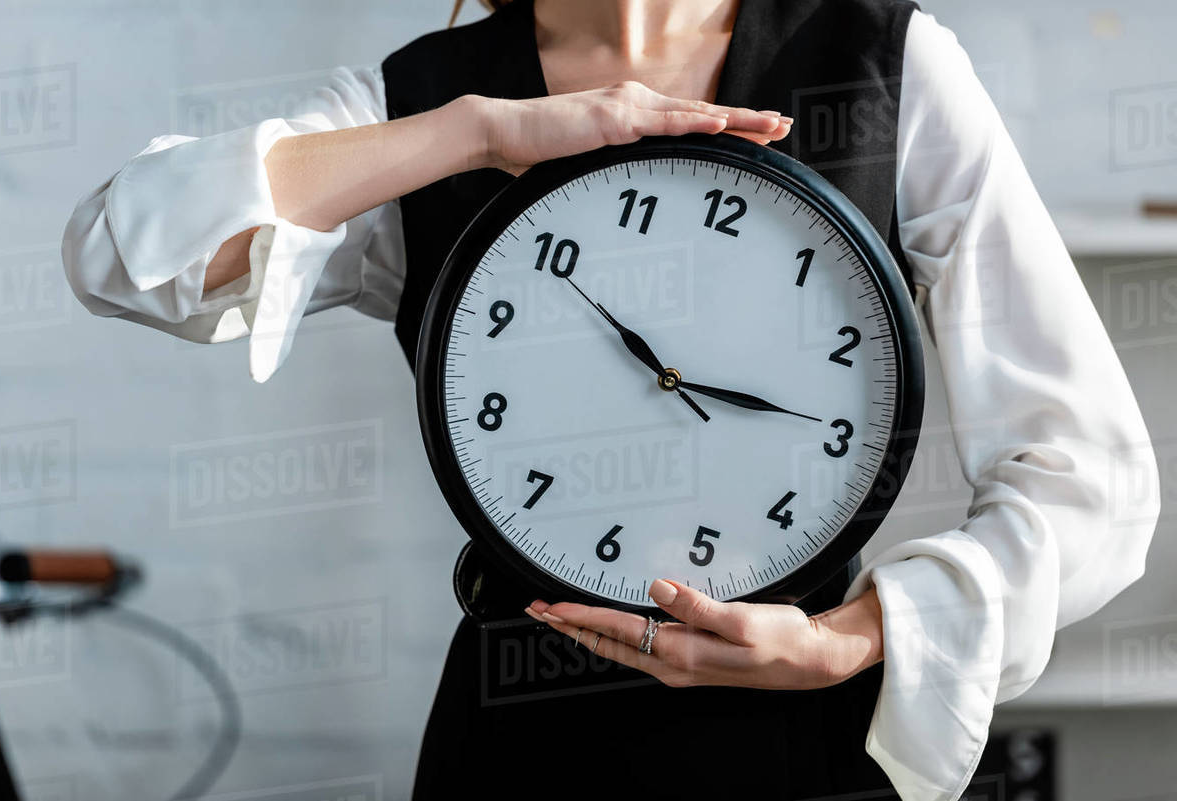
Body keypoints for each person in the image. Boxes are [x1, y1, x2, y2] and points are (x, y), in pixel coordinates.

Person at [61, 1, 1160, 799]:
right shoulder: (425, 97)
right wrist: (472, 134)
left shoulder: (883, 61)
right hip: (518, 742)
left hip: (804, 743)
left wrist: (852, 640)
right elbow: (121, 256)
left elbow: (1093, 480)